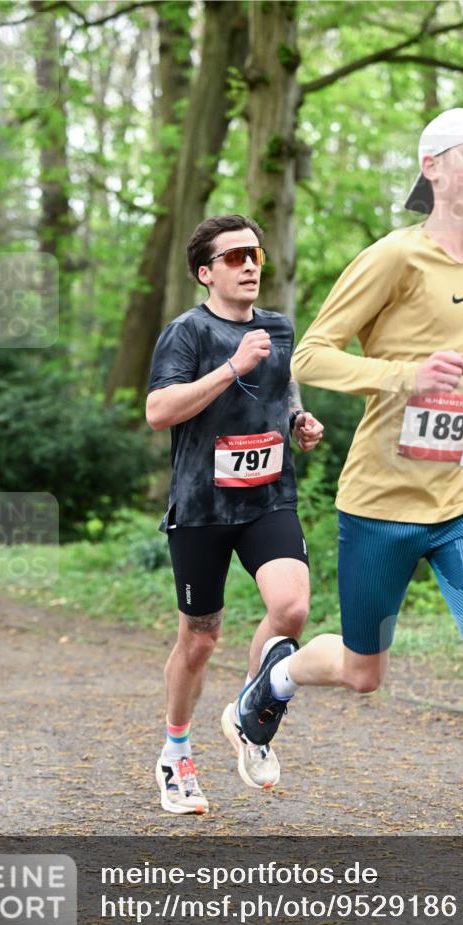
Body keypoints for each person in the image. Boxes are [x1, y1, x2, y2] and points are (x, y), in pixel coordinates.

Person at [232, 109, 463, 925]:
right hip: (379, 505)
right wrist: (403, 376)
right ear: (433, 166)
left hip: (460, 502)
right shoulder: (392, 256)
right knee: (361, 672)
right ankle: (270, 684)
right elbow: (311, 354)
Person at [146, 214, 323, 815]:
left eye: (255, 254)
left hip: (267, 498)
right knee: (200, 639)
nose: (250, 264)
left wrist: (298, 419)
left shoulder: (278, 327)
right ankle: (176, 753)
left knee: (291, 607)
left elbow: (284, 388)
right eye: (234, 257)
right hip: (202, 506)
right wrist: (230, 369)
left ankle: (251, 720)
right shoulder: (187, 333)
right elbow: (158, 411)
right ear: (206, 273)